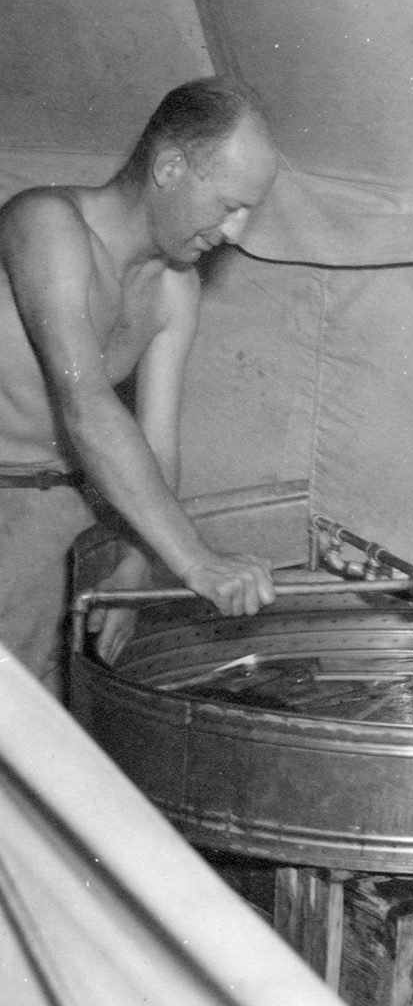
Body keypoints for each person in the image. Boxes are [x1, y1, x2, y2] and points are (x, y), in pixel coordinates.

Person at [0, 76, 281, 694]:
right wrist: (194, 560)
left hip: (73, 519)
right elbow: (86, 407)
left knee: (59, 733)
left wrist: (134, 567)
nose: (234, 233)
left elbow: (158, 448)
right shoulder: (46, 224)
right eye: (229, 205)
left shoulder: (175, 287)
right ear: (170, 166)